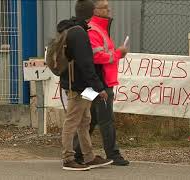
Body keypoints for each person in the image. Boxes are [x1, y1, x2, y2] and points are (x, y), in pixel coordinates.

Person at [74, 0, 129, 166]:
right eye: (105, 7)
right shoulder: (94, 30)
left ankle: (77, 152)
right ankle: (113, 154)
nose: (109, 9)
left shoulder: (99, 28)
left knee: (88, 118)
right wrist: (119, 53)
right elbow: (96, 57)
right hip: (99, 83)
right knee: (103, 119)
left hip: (98, 82)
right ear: (95, 10)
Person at [58, 0, 113, 171]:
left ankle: (88, 156)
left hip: (83, 85)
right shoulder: (79, 33)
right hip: (78, 86)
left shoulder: (77, 29)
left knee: (85, 120)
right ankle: (68, 158)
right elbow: (86, 64)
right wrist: (99, 87)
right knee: (73, 121)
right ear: (91, 13)